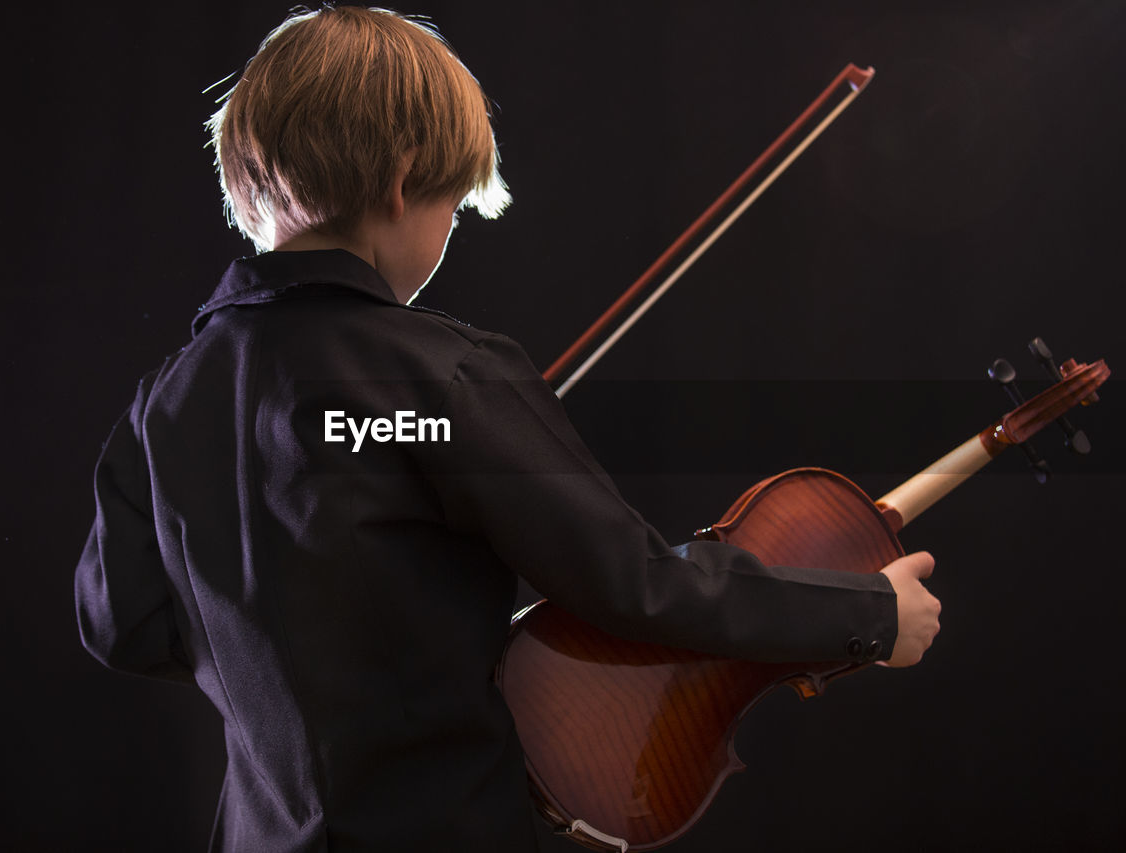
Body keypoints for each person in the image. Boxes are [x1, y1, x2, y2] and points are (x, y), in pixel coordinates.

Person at [74, 6, 941, 852]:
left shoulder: (166, 404)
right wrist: (864, 611)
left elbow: (123, 627)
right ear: (405, 175)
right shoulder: (439, 375)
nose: (448, 232)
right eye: (454, 205)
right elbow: (635, 587)